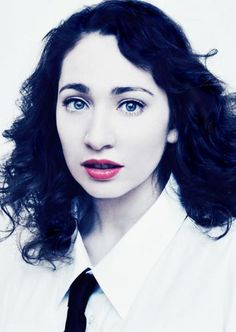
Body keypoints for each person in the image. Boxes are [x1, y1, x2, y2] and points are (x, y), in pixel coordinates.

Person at [0, 0, 236, 331]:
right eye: (76, 103)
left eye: (130, 105)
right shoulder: (11, 255)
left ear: (176, 122)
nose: (97, 137)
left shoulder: (227, 269)